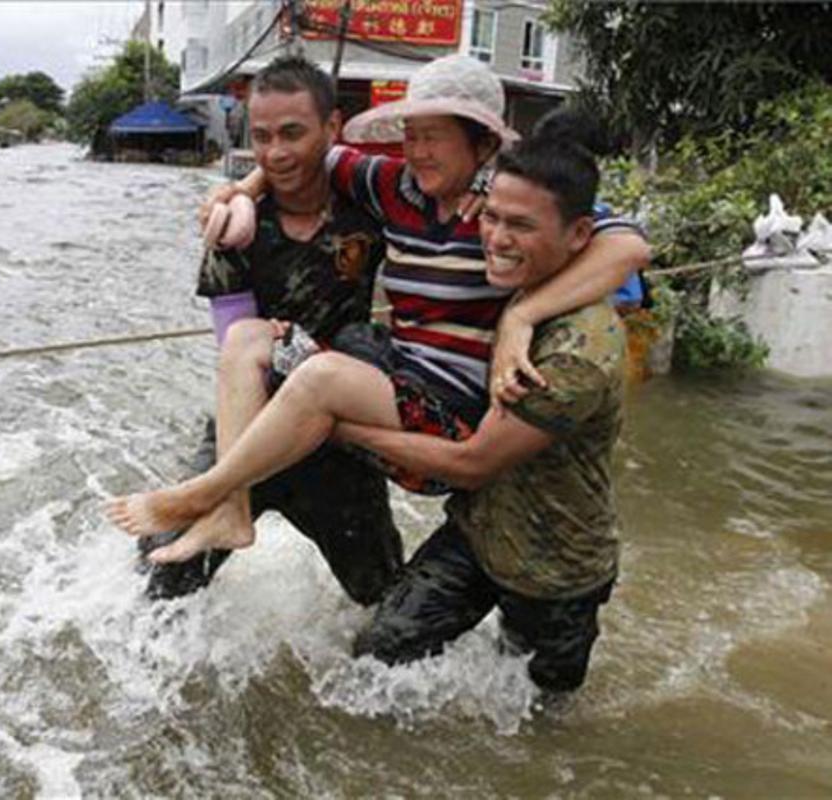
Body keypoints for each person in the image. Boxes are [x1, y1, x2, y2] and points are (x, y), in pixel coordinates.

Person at [115, 56, 648, 562]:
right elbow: (304, 156)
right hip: (384, 385)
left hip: (444, 417)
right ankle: (231, 509)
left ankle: (200, 492)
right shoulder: (392, 186)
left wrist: (521, 316)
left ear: (484, 143)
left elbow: (628, 246)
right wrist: (240, 190)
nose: (417, 152)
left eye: (434, 137)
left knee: (322, 377)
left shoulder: (506, 210)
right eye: (410, 135)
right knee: (247, 337)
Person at [347, 111, 626, 693]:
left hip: (554, 569)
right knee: (378, 655)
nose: (496, 239)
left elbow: (471, 462)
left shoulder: (576, 352)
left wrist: (339, 426)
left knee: (540, 708)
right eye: (491, 217)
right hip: (477, 531)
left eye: (520, 225)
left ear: (579, 235)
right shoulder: (520, 289)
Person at [137, 56, 404, 604]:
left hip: (336, 441)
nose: (276, 152)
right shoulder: (235, 229)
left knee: (382, 600)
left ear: (331, 127)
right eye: (261, 137)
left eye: (292, 133)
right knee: (162, 576)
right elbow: (234, 345)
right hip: (247, 432)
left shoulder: (368, 211)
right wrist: (240, 192)